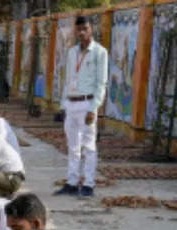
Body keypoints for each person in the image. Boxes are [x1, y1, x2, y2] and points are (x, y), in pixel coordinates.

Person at [54, 15, 108, 198]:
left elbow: (102, 83)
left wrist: (94, 108)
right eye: (79, 30)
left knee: (89, 146)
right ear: (75, 31)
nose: (82, 32)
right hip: (71, 102)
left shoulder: (100, 52)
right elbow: (67, 79)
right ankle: (71, 182)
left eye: (85, 28)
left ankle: (89, 184)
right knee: (72, 146)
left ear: (91, 29)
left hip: (87, 103)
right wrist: (63, 105)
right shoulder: (71, 53)